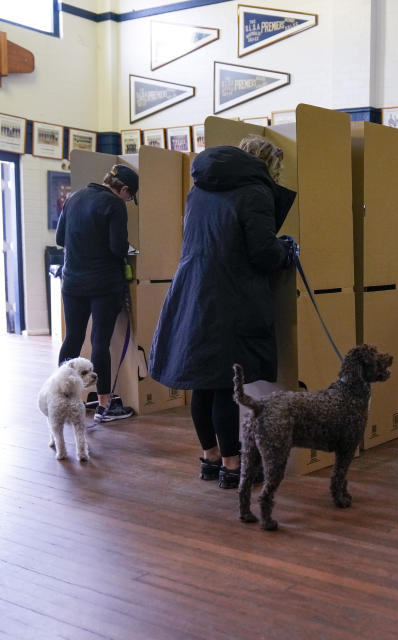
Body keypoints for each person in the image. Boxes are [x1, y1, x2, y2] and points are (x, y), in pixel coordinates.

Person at [149, 135, 298, 489]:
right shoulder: (256, 192)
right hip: (230, 295)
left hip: (191, 290)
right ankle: (234, 466)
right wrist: (286, 249)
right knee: (225, 385)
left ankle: (210, 457)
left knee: (202, 381)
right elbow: (261, 253)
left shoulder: (199, 187)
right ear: (267, 166)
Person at [56, 164, 139, 424]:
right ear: (123, 189)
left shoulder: (74, 197)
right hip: (103, 284)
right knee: (100, 341)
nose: (128, 200)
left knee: (73, 338)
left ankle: (62, 397)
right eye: (130, 195)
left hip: (72, 283)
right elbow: (117, 247)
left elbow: (60, 239)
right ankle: (105, 405)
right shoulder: (114, 205)